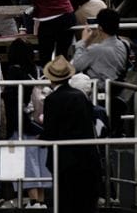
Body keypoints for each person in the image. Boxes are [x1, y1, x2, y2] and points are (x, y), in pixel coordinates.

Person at [41, 56, 101, 213]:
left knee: (66, 201)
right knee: (84, 202)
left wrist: (41, 139)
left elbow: (50, 131)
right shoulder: (80, 96)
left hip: (64, 159)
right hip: (86, 156)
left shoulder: (52, 100)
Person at [2, 39, 51, 208]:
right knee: (40, 161)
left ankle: (32, 201)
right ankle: (41, 200)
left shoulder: (14, 71)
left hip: (23, 123)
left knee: (26, 163)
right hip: (40, 121)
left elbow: (13, 100)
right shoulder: (36, 71)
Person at [71, 8, 129, 86]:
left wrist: (83, 41)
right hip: (116, 87)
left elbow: (75, 66)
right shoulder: (124, 44)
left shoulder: (96, 49)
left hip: (98, 90)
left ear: (100, 27)